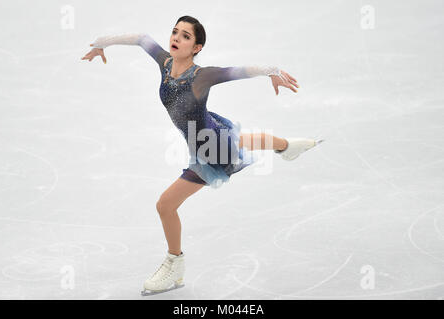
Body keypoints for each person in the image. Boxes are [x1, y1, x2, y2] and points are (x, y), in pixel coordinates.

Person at [81, 15, 323, 295]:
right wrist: (101, 44)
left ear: (196, 47)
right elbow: (140, 38)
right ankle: (287, 147)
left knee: (165, 205)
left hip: (211, 150)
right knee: (242, 141)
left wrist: (272, 70)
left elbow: (238, 71)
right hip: (211, 131)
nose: (176, 38)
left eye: (186, 36)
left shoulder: (201, 76)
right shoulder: (165, 63)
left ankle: (175, 265)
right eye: (175, 32)